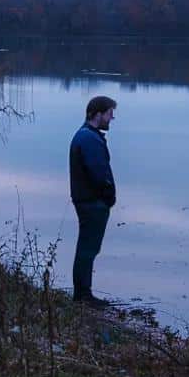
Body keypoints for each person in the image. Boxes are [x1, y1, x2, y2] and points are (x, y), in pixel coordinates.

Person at [69, 95, 118, 307]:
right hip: (91, 202)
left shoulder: (86, 136)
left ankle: (82, 293)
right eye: (109, 113)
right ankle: (82, 295)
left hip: (88, 201)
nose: (112, 118)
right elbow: (98, 173)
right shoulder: (89, 139)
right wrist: (108, 197)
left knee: (87, 247)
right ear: (97, 114)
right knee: (88, 248)